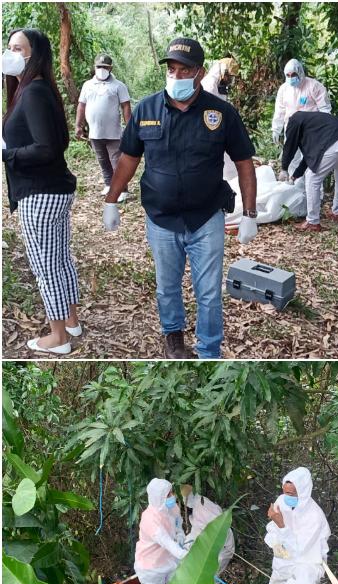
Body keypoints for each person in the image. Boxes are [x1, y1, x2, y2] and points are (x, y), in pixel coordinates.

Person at [102, 38, 258, 359]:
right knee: (167, 287)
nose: (175, 76)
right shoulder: (146, 110)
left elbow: (244, 162)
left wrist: (250, 214)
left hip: (206, 218)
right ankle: (173, 338)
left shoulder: (221, 113)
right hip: (161, 219)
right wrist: (111, 200)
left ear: (199, 73)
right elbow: (128, 159)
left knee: (210, 294)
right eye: (171, 69)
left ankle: (208, 351)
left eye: (183, 70)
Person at [2, 28, 81, 354]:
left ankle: (58, 337)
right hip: (54, 190)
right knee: (60, 260)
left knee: (46, 268)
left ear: (35, 54)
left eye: (18, 48)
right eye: (8, 47)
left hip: (40, 194)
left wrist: (8, 154)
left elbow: (47, 148)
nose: (10, 54)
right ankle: (72, 321)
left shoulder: (33, 92)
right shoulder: (35, 89)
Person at [264, 467, 330, 584]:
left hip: (308, 559)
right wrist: (274, 542)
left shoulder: (314, 516)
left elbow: (301, 549)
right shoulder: (281, 501)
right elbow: (272, 529)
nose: (288, 497)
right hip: (284, 553)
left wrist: (281, 525)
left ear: (303, 491)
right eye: (285, 492)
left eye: (292, 494)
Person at [280, 111, 338, 231]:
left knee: (312, 177)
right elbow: (310, 157)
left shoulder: (295, 120)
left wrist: (284, 168)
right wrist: (295, 175)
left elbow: (290, 145)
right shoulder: (314, 122)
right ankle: (337, 213)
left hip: (337, 142)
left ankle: (312, 221)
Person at [75, 53, 131, 200]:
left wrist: (129, 126)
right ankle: (108, 184)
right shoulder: (87, 85)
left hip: (113, 132)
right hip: (95, 132)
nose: (101, 69)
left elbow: (125, 106)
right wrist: (78, 126)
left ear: (110, 68)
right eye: (99, 66)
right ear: (94, 67)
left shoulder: (119, 86)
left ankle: (123, 190)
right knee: (102, 160)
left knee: (117, 162)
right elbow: (81, 106)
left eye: (105, 67)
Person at [134, 478, 188, 584]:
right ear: (159, 497)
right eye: (168, 494)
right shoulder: (149, 519)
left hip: (169, 560)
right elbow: (167, 543)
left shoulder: (171, 508)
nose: (172, 496)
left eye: (171, 492)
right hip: (150, 566)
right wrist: (188, 555)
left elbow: (178, 522)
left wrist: (180, 534)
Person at [271, 58, 331, 152]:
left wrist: (325, 130)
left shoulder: (314, 86)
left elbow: (325, 110)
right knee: (292, 159)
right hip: (291, 130)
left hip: (311, 130)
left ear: (300, 72)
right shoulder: (284, 89)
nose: (291, 78)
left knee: (311, 159)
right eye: (288, 75)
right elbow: (280, 111)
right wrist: (276, 129)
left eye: (294, 74)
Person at [180, 485, 235, 574]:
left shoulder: (202, 507)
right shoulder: (199, 503)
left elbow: (216, 529)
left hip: (221, 548)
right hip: (216, 544)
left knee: (207, 575)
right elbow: (198, 529)